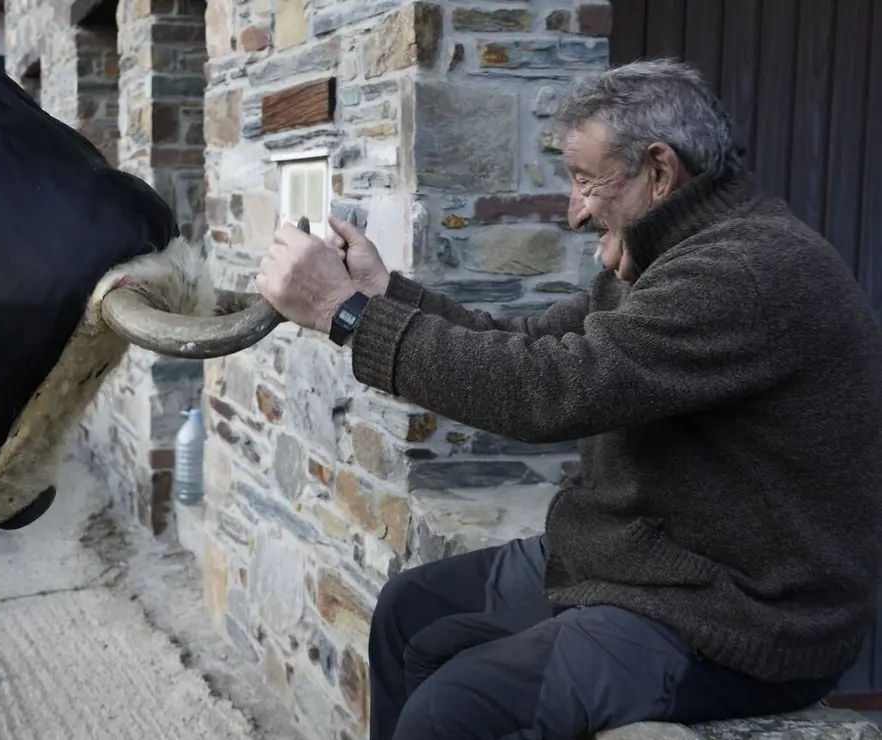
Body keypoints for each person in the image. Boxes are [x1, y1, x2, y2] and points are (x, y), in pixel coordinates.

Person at [255, 59, 882, 740]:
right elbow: (531, 345)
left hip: (738, 612)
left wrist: (341, 313)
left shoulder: (748, 271)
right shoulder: (668, 254)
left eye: (586, 181)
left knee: (455, 709)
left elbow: (550, 391)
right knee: (413, 611)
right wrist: (384, 297)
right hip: (640, 561)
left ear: (660, 171)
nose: (573, 210)